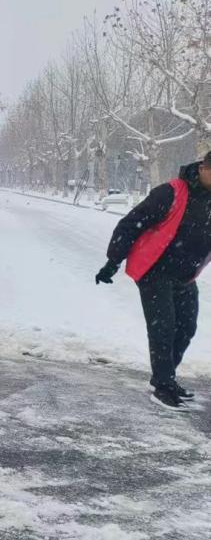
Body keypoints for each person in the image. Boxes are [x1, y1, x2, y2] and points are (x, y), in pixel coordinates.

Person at [97, 154, 211, 411]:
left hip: (186, 276)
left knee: (186, 328)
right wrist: (113, 261)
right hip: (155, 271)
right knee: (164, 329)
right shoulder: (171, 192)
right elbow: (129, 225)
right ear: (203, 168)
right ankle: (163, 385)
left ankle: (165, 376)